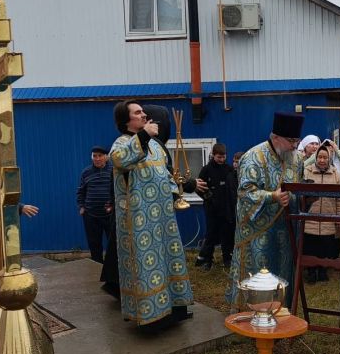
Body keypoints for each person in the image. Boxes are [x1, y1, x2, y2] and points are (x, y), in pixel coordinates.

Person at [109, 100, 193, 326]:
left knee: (169, 260)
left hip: (163, 218)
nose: (144, 115)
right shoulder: (121, 143)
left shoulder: (156, 145)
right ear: (126, 120)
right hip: (140, 222)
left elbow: (165, 173)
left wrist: (176, 194)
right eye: (138, 113)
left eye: (143, 111)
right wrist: (144, 136)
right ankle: (151, 317)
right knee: (147, 266)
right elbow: (120, 159)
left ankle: (175, 309)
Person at [226, 111, 305, 304]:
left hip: (286, 229)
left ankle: (283, 311)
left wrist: (305, 198)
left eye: (297, 140)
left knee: (284, 270)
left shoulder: (297, 158)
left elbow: (299, 185)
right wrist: (273, 196)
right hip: (258, 230)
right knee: (259, 272)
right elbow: (245, 192)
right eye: (291, 141)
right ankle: (253, 313)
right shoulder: (253, 157)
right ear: (276, 137)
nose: (295, 145)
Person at [302, 144, 340, 283]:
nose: (322, 160)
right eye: (320, 157)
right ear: (316, 157)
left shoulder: (336, 174)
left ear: (329, 158)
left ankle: (322, 270)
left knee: (325, 247)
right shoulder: (307, 172)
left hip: (329, 217)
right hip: (310, 219)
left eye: (325, 157)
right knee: (310, 246)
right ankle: (311, 272)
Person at [195, 143, 235, 270]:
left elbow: (233, 188)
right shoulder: (206, 170)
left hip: (226, 208)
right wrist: (209, 198)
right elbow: (199, 187)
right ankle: (207, 260)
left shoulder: (229, 169)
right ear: (213, 155)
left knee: (227, 234)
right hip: (211, 209)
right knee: (211, 234)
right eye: (219, 157)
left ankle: (227, 259)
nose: (221, 160)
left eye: (224, 157)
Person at [75, 146, 113, 263]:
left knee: (113, 244)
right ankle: (96, 268)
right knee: (94, 244)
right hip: (91, 215)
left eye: (100, 156)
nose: (97, 159)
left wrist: (113, 205)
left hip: (110, 215)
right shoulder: (86, 172)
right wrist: (81, 207)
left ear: (106, 157)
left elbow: (120, 190)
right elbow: (81, 191)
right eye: (94, 156)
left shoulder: (114, 170)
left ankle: (111, 270)